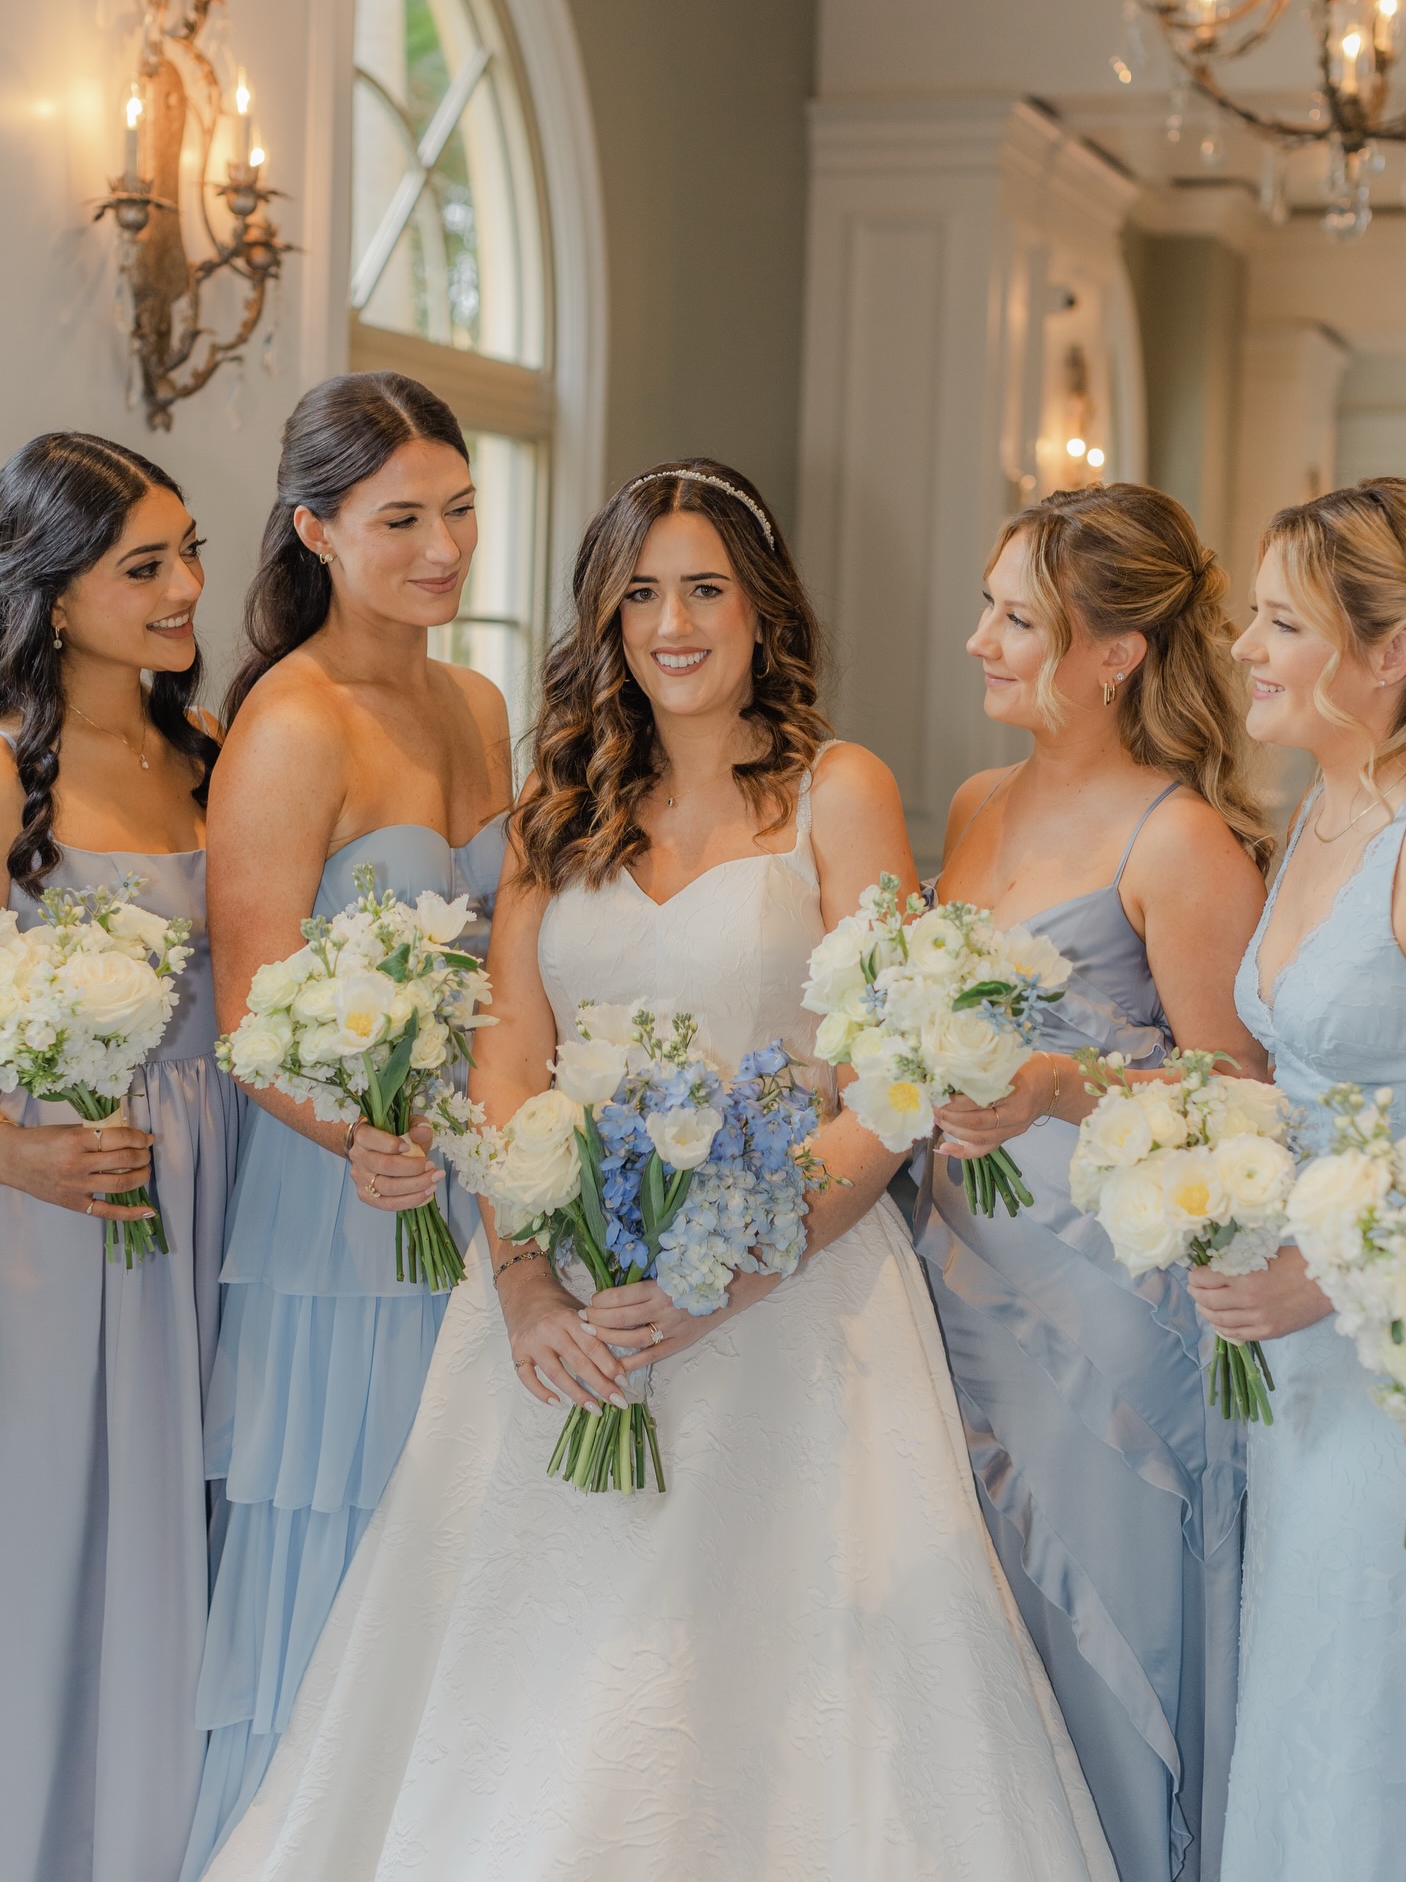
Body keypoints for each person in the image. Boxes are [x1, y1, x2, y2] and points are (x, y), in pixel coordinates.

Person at [200, 459, 1118, 1882]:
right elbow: (510, 1059)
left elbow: (892, 1071)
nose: (672, 623)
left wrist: (730, 1270)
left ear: (763, 609)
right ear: (605, 617)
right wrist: (520, 1285)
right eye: (640, 594)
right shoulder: (556, 799)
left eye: (705, 588)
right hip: (565, 1292)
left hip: (795, 1307)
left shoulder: (838, 788)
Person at [914, 484, 1272, 1882]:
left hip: (1105, 1322)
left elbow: (1241, 1104)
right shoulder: (976, 802)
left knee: (1089, 1640)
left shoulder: (1178, 841)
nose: (977, 641)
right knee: (970, 1650)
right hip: (948, 1282)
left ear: (1115, 650)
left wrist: (1062, 1085)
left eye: (1015, 618)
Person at [181, 372, 512, 1879]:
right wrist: (362, 1141)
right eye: (401, 520)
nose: (443, 547)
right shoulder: (290, 722)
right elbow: (252, 1013)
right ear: (316, 527)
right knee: (357, 1535)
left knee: (466, 1548)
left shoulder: (480, 701)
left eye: (457, 509)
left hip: (480, 1181)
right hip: (347, 1205)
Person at [1189, 477, 1406, 1882]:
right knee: (1302, 1718)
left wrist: (1326, 1267)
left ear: (1385, 653)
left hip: (1401, 1365)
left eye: (1284, 623)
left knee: (1376, 1731)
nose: (1246, 650)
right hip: (1298, 1382)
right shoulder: (1314, 811)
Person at [0, 432, 238, 1882]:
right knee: (61, 1533)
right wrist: (18, 1158)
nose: (187, 588)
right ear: (54, 592)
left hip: (217, 1190)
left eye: (191, 552)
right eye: (143, 565)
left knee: (189, 1529)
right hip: (68, 1209)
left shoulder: (210, 755)